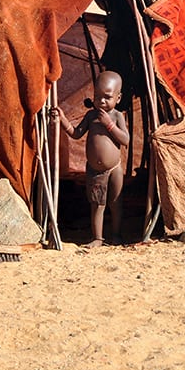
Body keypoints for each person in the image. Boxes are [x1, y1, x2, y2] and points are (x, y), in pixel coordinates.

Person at [51, 71, 129, 247]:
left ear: (118, 98)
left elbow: (125, 140)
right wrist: (63, 120)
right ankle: (98, 238)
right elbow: (76, 134)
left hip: (114, 168)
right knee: (97, 204)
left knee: (115, 203)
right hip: (95, 171)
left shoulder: (117, 116)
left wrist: (109, 124)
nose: (101, 101)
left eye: (107, 97)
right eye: (97, 96)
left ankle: (116, 234)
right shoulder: (90, 116)